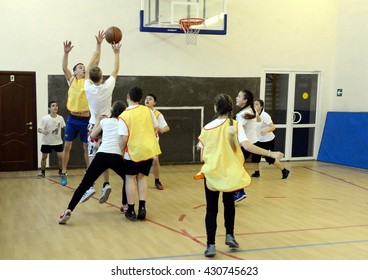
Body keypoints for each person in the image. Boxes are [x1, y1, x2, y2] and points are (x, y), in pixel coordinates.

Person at [194, 94, 284, 257]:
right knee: (229, 204)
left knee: (211, 209)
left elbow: (201, 155)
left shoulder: (207, 128)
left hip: (212, 174)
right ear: (230, 108)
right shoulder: (235, 125)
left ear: (215, 107)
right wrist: (271, 153)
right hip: (230, 174)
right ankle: (230, 235)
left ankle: (210, 245)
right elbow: (248, 146)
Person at [58, 100, 127, 224]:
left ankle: (68, 210)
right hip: (116, 156)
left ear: (112, 111)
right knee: (128, 179)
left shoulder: (105, 122)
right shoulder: (124, 124)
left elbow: (93, 135)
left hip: (101, 155)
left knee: (84, 184)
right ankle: (125, 205)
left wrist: (98, 121)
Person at [79, 34, 122, 204]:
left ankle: (90, 186)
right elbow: (115, 70)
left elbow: (90, 67)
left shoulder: (87, 87)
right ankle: (106, 184)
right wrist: (116, 52)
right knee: (106, 153)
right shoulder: (108, 87)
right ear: (102, 78)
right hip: (109, 125)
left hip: (94, 125)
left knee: (92, 155)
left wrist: (98, 45)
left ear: (90, 77)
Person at [59, 32, 103, 186]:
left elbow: (96, 61)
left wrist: (99, 44)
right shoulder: (71, 80)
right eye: (80, 67)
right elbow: (64, 67)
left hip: (86, 119)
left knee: (87, 147)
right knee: (67, 145)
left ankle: (89, 174)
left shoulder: (88, 81)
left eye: (84, 67)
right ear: (75, 71)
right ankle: (63, 172)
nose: (83, 69)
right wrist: (66, 53)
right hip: (72, 119)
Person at [118, 87, 161, 221]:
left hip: (132, 152)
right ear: (141, 99)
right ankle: (142, 208)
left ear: (128, 96)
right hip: (148, 150)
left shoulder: (124, 116)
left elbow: (123, 138)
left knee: (130, 178)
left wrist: (121, 150)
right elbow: (156, 127)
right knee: (142, 177)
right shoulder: (148, 111)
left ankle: (131, 209)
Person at [251, 99, 290, 179]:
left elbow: (273, 127)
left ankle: (284, 170)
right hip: (258, 139)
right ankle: (256, 173)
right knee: (255, 156)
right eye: (254, 104)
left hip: (267, 140)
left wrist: (266, 130)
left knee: (269, 158)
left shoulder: (265, 116)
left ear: (261, 106)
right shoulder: (253, 115)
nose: (255, 106)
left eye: (257, 104)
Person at [233, 89, 258, 203]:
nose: (236, 98)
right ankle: (238, 191)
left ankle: (239, 192)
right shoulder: (249, 111)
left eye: (239, 96)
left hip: (246, 145)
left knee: (236, 167)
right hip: (250, 142)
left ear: (245, 100)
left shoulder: (244, 114)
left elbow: (236, 130)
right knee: (237, 167)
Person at [144, 93, 170, 190]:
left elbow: (167, 127)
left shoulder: (158, 114)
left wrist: (162, 129)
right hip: (141, 140)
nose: (147, 100)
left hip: (153, 141)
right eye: (146, 98)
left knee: (155, 160)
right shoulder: (141, 111)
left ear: (154, 102)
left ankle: (157, 181)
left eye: (150, 99)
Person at [37, 101, 65, 178]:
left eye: (56, 105)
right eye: (53, 106)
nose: (55, 107)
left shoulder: (60, 118)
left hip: (58, 142)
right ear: (49, 108)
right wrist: (43, 131)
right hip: (46, 142)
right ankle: (42, 173)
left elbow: (63, 127)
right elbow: (39, 129)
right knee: (44, 157)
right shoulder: (45, 119)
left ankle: (60, 172)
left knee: (61, 158)